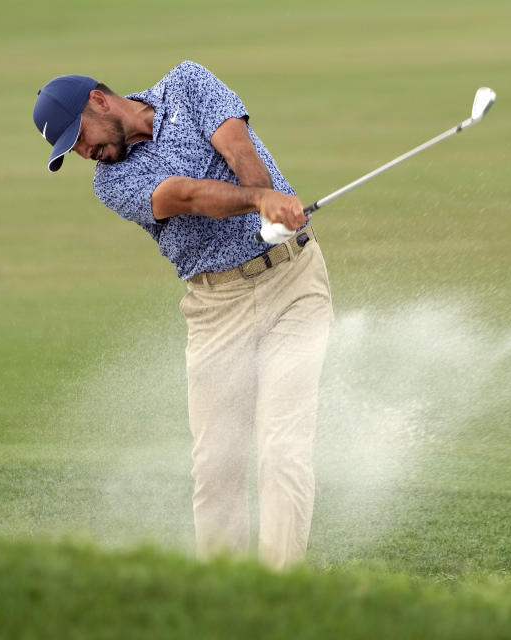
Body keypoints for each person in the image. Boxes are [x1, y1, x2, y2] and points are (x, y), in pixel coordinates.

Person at [32, 61, 333, 570]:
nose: (85, 154)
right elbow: (184, 195)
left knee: (282, 450)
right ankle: (222, 596)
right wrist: (261, 200)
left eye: (78, 138)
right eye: (73, 152)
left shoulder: (188, 83)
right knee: (217, 466)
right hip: (217, 310)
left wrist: (269, 201)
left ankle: (279, 592)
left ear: (99, 101)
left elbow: (238, 146)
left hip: (294, 284)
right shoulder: (111, 182)